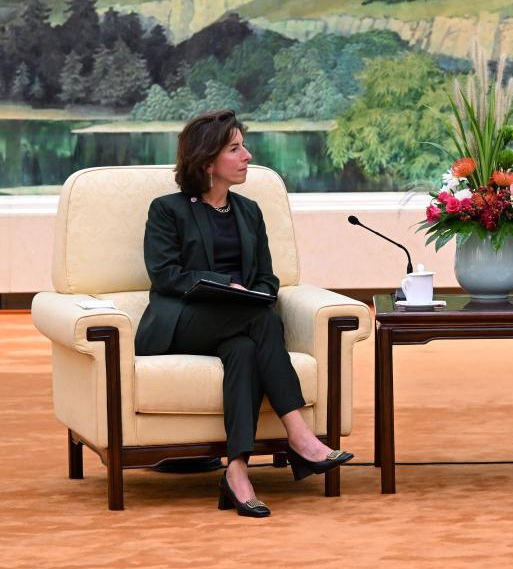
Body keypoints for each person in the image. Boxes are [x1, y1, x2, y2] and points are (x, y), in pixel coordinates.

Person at [134, 109, 353, 518]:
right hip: (182, 321)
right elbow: (165, 275)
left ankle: (236, 473)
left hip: (237, 322)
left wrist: (254, 292)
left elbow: (268, 278)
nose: (248, 156)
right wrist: (223, 284)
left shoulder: (249, 211)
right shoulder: (168, 210)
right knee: (261, 320)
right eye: (235, 149)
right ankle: (300, 436)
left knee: (245, 349)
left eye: (243, 147)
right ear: (206, 162)